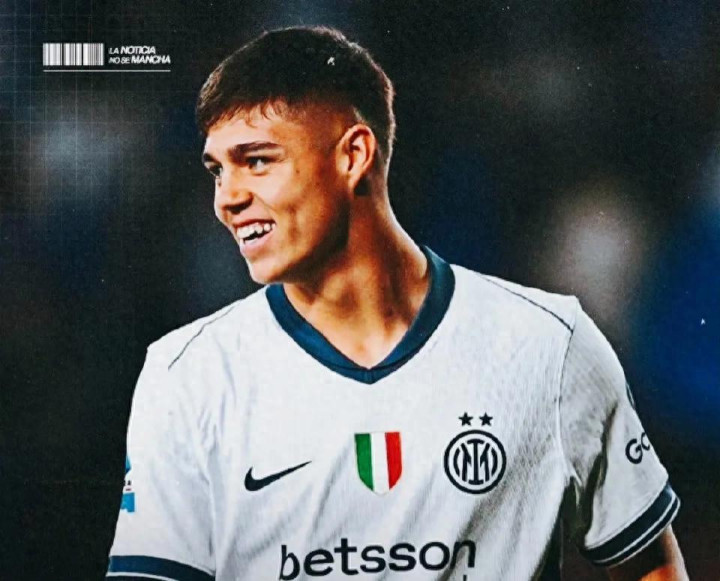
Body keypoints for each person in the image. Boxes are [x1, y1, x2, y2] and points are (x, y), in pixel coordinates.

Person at [106, 27, 687, 580]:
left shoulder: (550, 346)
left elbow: (649, 567)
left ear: (354, 154)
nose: (227, 198)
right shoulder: (187, 375)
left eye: (257, 160)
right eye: (218, 170)